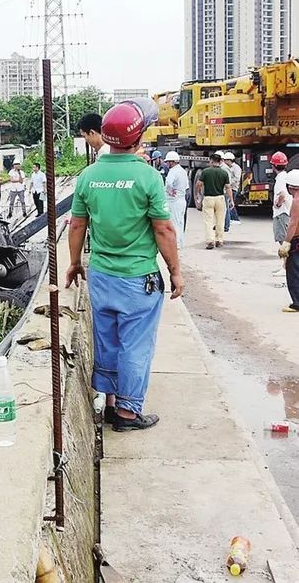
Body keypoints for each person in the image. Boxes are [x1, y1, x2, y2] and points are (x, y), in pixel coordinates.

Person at [65, 99, 183, 432]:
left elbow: (77, 225)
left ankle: (111, 402)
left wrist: (74, 263)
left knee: (108, 339)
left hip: (102, 275)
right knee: (136, 344)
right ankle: (128, 414)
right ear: (139, 136)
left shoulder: (89, 176)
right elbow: (163, 229)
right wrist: (174, 271)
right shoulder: (147, 176)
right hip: (137, 278)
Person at [196, 153, 233, 249]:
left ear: (211, 161)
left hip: (208, 198)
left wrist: (198, 193)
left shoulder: (205, 172)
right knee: (220, 220)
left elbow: (199, 184)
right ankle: (219, 240)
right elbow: (228, 188)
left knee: (208, 220)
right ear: (220, 161)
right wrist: (231, 200)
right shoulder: (224, 173)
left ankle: (210, 241)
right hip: (220, 198)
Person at [278, 169, 299, 313]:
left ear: (291, 187)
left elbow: (293, 223)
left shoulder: (296, 202)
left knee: (294, 271)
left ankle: (296, 303)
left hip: (297, 240)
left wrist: (286, 242)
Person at [164, 151, 188, 249]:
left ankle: (176, 243)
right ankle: (180, 242)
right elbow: (186, 186)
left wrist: (170, 191)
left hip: (174, 200)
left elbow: (169, 183)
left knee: (174, 222)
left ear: (171, 162)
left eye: (168, 162)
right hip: (182, 199)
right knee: (180, 222)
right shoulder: (183, 171)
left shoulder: (173, 171)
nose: (167, 164)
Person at [272, 152, 291, 246]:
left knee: (283, 241)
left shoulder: (280, 179)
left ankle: (288, 260)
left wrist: (278, 204)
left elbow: (282, 194)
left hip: (281, 214)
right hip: (286, 212)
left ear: (273, 166)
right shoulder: (286, 176)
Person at [223, 152, 242, 225]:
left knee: (230, 204)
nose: (224, 161)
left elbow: (236, 179)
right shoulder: (228, 168)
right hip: (229, 187)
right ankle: (232, 218)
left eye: (226, 160)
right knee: (229, 204)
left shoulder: (236, 168)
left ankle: (235, 218)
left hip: (233, 188)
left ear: (230, 160)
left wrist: (228, 183)